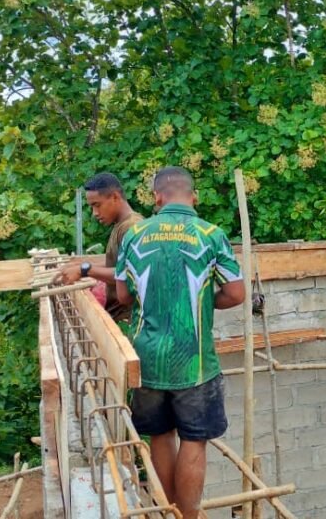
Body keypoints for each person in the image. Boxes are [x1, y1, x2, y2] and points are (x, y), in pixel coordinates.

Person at [114, 166, 245, 518]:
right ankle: (187, 516)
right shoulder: (211, 235)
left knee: (160, 435)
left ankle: (166, 513)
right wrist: (205, 304)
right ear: (194, 197)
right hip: (195, 361)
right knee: (194, 439)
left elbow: (123, 296)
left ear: (157, 197)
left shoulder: (134, 235)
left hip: (145, 359)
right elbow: (236, 293)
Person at [56, 173, 144, 323]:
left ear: (115, 197)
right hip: (119, 316)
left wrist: (85, 270)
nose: (95, 213)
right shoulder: (121, 225)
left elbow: (132, 274)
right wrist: (80, 264)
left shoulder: (133, 227)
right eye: (92, 207)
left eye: (97, 205)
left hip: (130, 319)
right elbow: (117, 264)